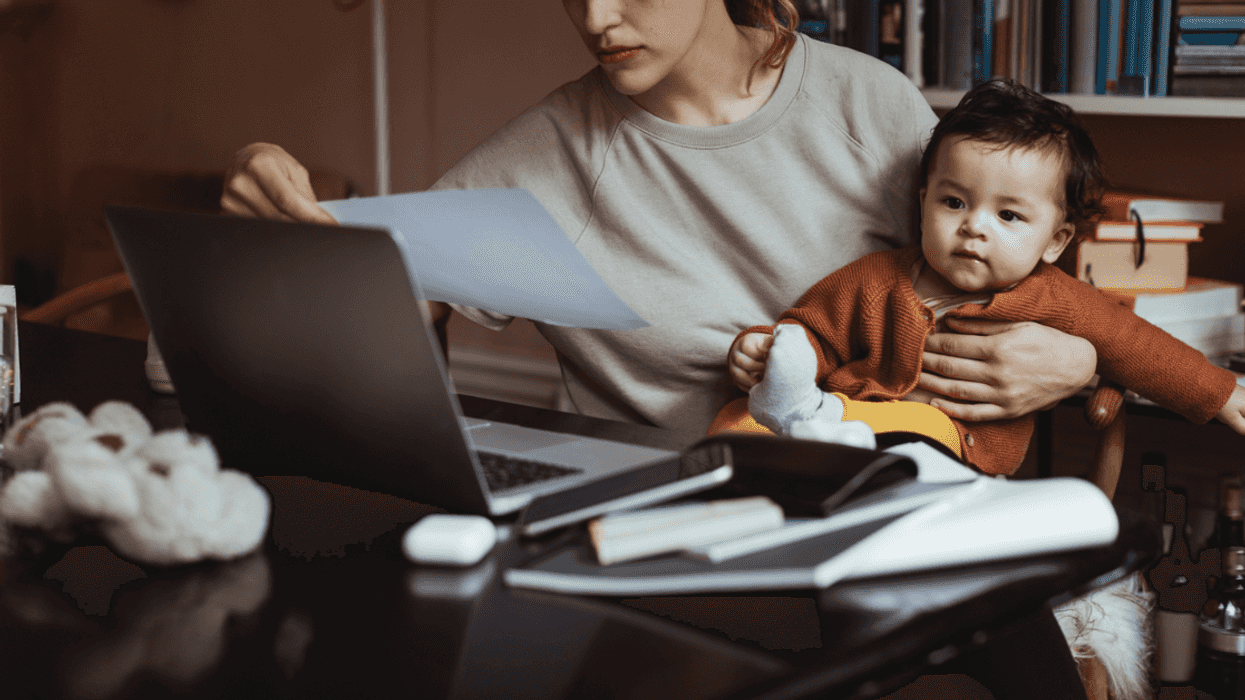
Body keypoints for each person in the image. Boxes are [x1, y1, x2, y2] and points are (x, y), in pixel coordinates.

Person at [220, 0, 1099, 436]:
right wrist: (284, 242)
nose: (596, 20)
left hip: (881, 497)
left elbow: (1009, 271)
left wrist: (1082, 360)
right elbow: (378, 315)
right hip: (655, 526)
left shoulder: (867, 103)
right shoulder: (549, 151)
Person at [726, 79, 1245, 474]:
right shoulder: (875, 278)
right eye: (954, 202)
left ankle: (839, 456)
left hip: (950, 455)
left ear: (1057, 241)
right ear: (923, 202)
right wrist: (764, 353)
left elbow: (1136, 345)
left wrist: (1222, 395)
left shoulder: (1055, 298)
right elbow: (811, 332)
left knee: (918, 428)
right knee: (733, 422)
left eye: (1009, 216)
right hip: (841, 416)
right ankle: (810, 449)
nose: (974, 226)